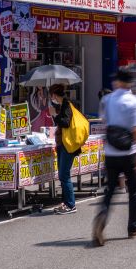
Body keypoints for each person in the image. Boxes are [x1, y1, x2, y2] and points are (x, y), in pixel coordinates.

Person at [93, 67, 136, 246]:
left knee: (110, 189)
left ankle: (102, 214)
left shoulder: (107, 99)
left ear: (117, 81)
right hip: (129, 151)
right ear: (131, 82)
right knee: (133, 190)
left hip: (110, 151)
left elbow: (104, 121)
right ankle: (133, 227)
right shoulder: (134, 101)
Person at [48, 84, 79, 214]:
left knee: (64, 174)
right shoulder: (63, 105)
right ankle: (65, 203)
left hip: (67, 145)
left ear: (54, 95)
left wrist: (54, 115)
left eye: (51, 95)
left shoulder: (67, 104)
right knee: (62, 174)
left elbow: (65, 122)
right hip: (63, 144)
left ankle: (71, 205)